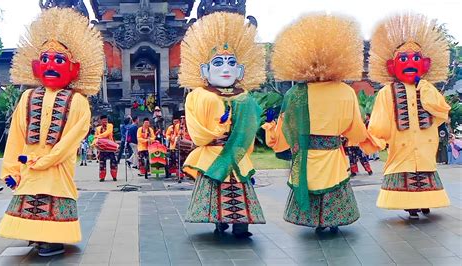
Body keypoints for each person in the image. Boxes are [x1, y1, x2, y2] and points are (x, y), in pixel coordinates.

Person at [0, 8, 103, 256]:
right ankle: (34, 234)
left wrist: (48, 160)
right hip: (29, 163)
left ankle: (53, 239)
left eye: (59, 61)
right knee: (29, 197)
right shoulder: (27, 96)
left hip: (56, 164)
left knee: (54, 195)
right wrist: (11, 169)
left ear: (73, 69)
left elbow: (73, 138)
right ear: (36, 67)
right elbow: (16, 135)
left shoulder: (78, 101)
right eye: (45, 60)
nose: (51, 65)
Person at [262, 14, 370, 233]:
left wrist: (272, 135)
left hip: (307, 155)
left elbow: (285, 128)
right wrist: (361, 140)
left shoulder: (295, 93)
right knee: (334, 185)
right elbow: (356, 128)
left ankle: (315, 222)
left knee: (311, 185)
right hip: (332, 153)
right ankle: (333, 222)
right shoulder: (345, 92)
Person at [178, 12, 266, 237]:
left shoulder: (244, 97)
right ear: (205, 70)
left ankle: (240, 224)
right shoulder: (199, 95)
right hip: (213, 152)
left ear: (240, 70)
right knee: (215, 187)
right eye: (218, 63)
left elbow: (249, 128)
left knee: (240, 186)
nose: (226, 68)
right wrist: (217, 132)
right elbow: (196, 128)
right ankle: (219, 221)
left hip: (236, 152)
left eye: (231, 63)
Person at [363, 14, 451, 219]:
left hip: (424, 142)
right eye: (403, 59)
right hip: (400, 142)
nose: (410, 62)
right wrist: (374, 138)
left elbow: (441, 110)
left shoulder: (428, 88)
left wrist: (423, 86)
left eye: (415, 59)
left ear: (425, 64)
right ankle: (411, 204)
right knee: (403, 167)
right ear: (392, 66)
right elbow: (380, 119)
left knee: (426, 167)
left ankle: (426, 201)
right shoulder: (387, 91)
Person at [94, 115, 118, 182]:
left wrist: (98, 136)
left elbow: (108, 133)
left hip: (110, 147)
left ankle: (114, 176)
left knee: (113, 162)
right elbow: (95, 138)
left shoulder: (110, 126)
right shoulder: (98, 128)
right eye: (104, 120)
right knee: (102, 163)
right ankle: (102, 177)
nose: (105, 121)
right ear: (100, 121)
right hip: (102, 148)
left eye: (106, 120)